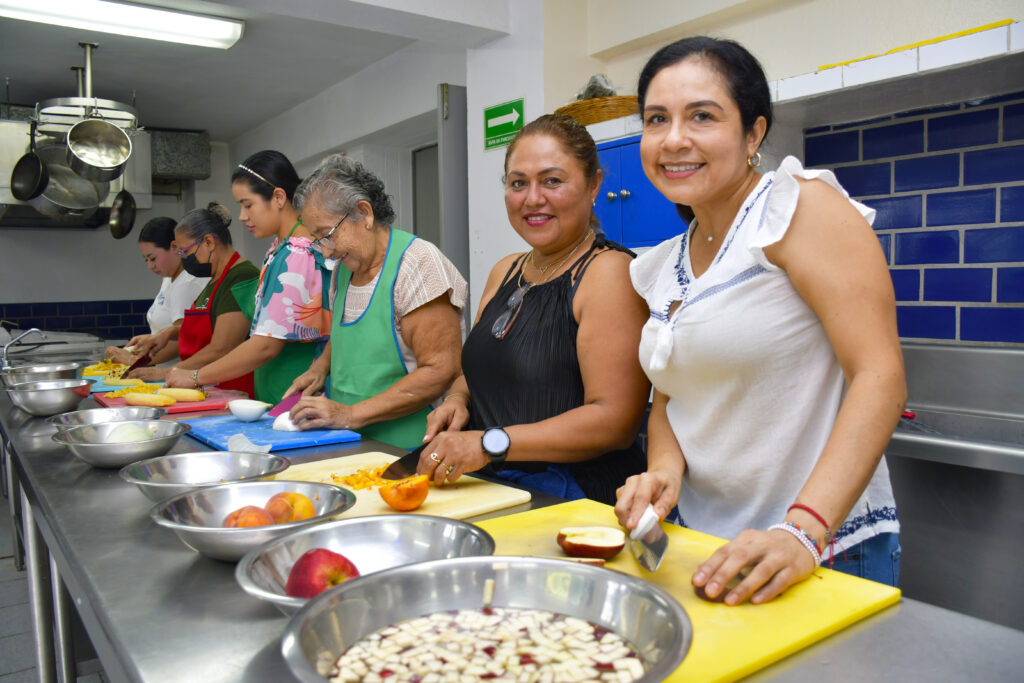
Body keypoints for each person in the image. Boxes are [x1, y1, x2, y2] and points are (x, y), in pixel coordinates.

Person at [614, 36, 906, 604]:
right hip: (706, 542)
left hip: (817, 547)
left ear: (754, 133)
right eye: (656, 119)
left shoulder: (798, 208)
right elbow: (671, 393)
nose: (674, 139)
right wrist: (664, 472)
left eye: (702, 116)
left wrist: (802, 532)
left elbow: (880, 376)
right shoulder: (661, 265)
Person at [417, 114, 651, 505]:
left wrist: (489, 443)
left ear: (593, 185)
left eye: (552, 181)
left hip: (576, 500)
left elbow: (614, 422)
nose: (532, 198)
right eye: (518, 183)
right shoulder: (505, 270)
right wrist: (457, 400)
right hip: (495, 488)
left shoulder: (609, 273)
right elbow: (480, 371)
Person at [284, 154, 466, 449]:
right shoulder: (345, 268)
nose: (326, 252)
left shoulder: (417, 264)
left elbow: (440, 370)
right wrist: (320, 368)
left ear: (364, 213)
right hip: (352, 441)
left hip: (407, 447)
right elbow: (347, 335)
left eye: (327, 235)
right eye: (318, 241)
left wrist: (350, 414)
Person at [162, 151, 330, 404]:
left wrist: (196, 376)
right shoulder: (282, 249)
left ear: (278, 197)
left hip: (293, 394)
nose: (241, 216)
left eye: (248, 205)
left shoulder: (297, 254)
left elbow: (265, 346)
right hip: (278, 390)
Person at [130, 203, 259, 396]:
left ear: (209, 242)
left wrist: (169, 372)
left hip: (232, 390)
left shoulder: (241, 277)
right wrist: (168, 332)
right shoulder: (213, 280)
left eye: (185, 252)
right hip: (208, 388)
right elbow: (210, 325)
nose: (184, 259)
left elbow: (221, 348)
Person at [104, 217, 208, 367]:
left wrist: (136, 361)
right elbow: (167, 333)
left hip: (182, 372)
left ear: (174, 247)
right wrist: (148, 340)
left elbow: (183, 340)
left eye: (152, 258)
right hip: (165, 372)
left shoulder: (187, 283)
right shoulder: (170, 278)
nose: (150, 266)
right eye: (146, 260)